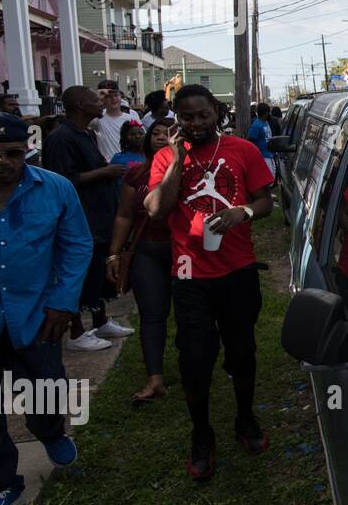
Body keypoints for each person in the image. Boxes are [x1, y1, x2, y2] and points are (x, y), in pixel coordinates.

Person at [145, 85, 276, 479]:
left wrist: (243, 213)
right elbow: (156, 210)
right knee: (195, 361)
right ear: (176, 119)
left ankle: (245, 418)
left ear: (216, 113)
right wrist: (177, 162)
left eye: (203, 115)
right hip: (189, 275)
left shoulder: (242, 150)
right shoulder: (167, 156)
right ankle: (201, 434)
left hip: (237, 270)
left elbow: (265, 200)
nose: (196, 123)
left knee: (242, 353)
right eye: (187, 117)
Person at [0, 112, 91, 505]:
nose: (2, 162)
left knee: (46, 387)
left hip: (39, 315)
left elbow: (77, 245)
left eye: (12, 152)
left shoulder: (56, 189)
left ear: (26, 151)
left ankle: (50, 433)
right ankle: (3, 482)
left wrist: (63, 302)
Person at [42, 86, 133, 349]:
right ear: (81, 105)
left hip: (100, 215)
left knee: (99, 274)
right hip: (81, 218)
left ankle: (100, 320)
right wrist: (105, 173)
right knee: (82, 274)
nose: (101, 102)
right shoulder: (61, 138)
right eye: (96, 99)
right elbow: (64, 179)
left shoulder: (88, 134)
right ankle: (76, 332)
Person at [107, 118, 176, 404]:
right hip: (147, 250)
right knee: (152, 313)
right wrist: (113, 252)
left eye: (167, 133)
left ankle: (197, 366)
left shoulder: (193, 170)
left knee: (192, 314)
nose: (160, 137)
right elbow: (124, 215)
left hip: (184, 251)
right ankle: (155, 377)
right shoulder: (136, 174)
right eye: (155, 133)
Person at [92, 80, 137, 162]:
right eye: (108, 96)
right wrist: (97, 96)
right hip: (108, 166)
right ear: (102, 99)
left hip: (128, 164)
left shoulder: (131, 118)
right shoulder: (97, 118)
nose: (113, 99)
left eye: (116, 95)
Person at [247, 103, 276, 179]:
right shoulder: (256, 125)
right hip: (262, 156)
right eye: (269, 112)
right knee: (267, 178)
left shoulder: (265, 122)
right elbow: (249, 140)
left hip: (269, 154)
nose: (270, 114)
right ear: (265, 113)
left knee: (271, 177)